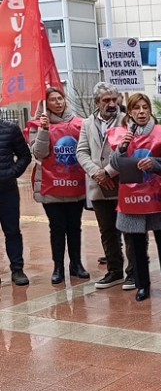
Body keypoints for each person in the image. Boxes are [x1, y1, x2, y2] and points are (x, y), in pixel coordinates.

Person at [109, 93, 161, 301]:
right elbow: (114, 165)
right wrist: (122, 149)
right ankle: (142, 286)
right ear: (130, 112)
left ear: (150, 110)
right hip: (131, 198)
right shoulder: (121, 134)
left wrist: (155, 163)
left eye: (145, 107)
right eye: (136, 108)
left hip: (156, 197)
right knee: (136, 245)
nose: (141, 112)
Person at [76, 82, 137, 290]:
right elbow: (81, 151)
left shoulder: (128, 120)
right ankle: (114, 270)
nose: (111, 104)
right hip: (98, 185)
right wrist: (96, 173)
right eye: (106, 100)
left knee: (130, 230)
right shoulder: (87, 123)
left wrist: (108, 172)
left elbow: (131, 150)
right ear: (97, 102)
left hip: (123, 183)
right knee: (107, 231)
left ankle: (134, 273)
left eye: (114, 99)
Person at [28, 87, 90, 284]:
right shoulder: (37, 126)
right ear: (46, 104)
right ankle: (58, 267)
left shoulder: (80, 124)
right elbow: (39, 153)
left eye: (60, 98)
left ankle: (76, 264)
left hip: (75, 187)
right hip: (51, 188)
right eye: (53, 100)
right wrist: (44, 130)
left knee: (74, 226)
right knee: (57, 228)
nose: (58, 102)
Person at [0, 118, 32, 286]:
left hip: (7, 191)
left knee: (12, 231)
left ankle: (17, 269)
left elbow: (25, 156)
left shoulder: (10, 129)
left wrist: (12, 172)